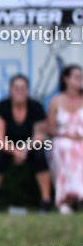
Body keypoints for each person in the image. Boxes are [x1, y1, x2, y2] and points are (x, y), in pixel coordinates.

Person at [0, 74, 52, 212]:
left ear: (28, 90)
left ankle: (46, 201)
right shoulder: (1, 107)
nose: (20, 91)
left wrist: (25, 148)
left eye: (23, 88)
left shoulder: (36, 107)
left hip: (30, 145)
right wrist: (14, 151)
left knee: (40, 155)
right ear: (10, 90)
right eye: (16, 88)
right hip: (6, 145)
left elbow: (39, 135)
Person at [46, 64, 83, 214]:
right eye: (76, 77)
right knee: (64, 147)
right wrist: (66, 134)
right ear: (66, 79)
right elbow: (50, 128)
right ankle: (65, 199)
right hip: (62, 138)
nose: (79, 80)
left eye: (81, 77)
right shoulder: (56, 101)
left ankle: (79, 196)